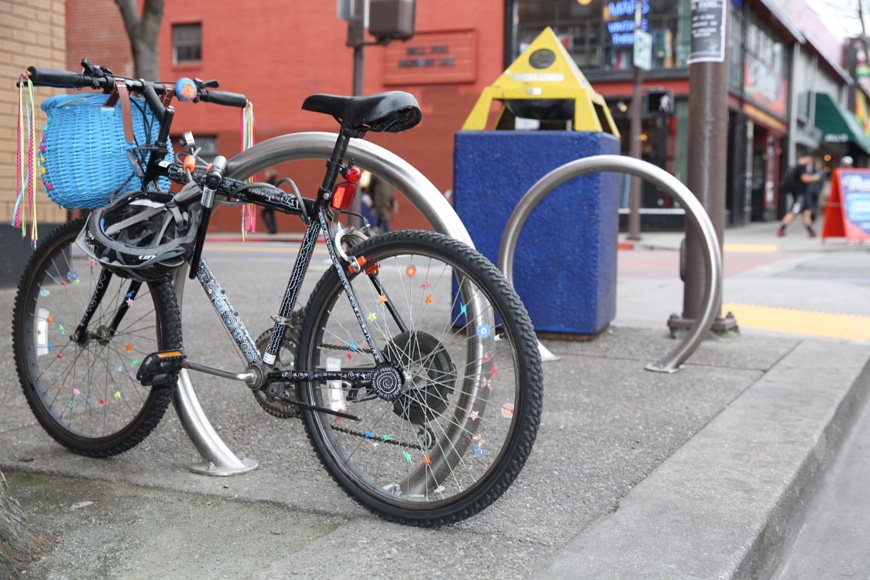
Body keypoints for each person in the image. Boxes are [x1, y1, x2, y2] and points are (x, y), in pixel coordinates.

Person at [777, 154, 822, 238]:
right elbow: (804, 178)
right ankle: (781, 229)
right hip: (799, 195)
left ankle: (810, 231)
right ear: (807, 157)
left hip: (801, 194)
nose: (810, 161)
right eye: (810, 159)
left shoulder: (795, 166)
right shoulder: (801, 167)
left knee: (806, 212)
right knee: (794, 212)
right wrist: (814, 178)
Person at [261, 169, 278, 234]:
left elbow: (265, 194)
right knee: (272, 215)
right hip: (273, 202)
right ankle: (274, 228)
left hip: (268, 202)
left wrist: (263, 204)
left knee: (263, 214)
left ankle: (271, 228)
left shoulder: (268, 183)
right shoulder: (275, 183)